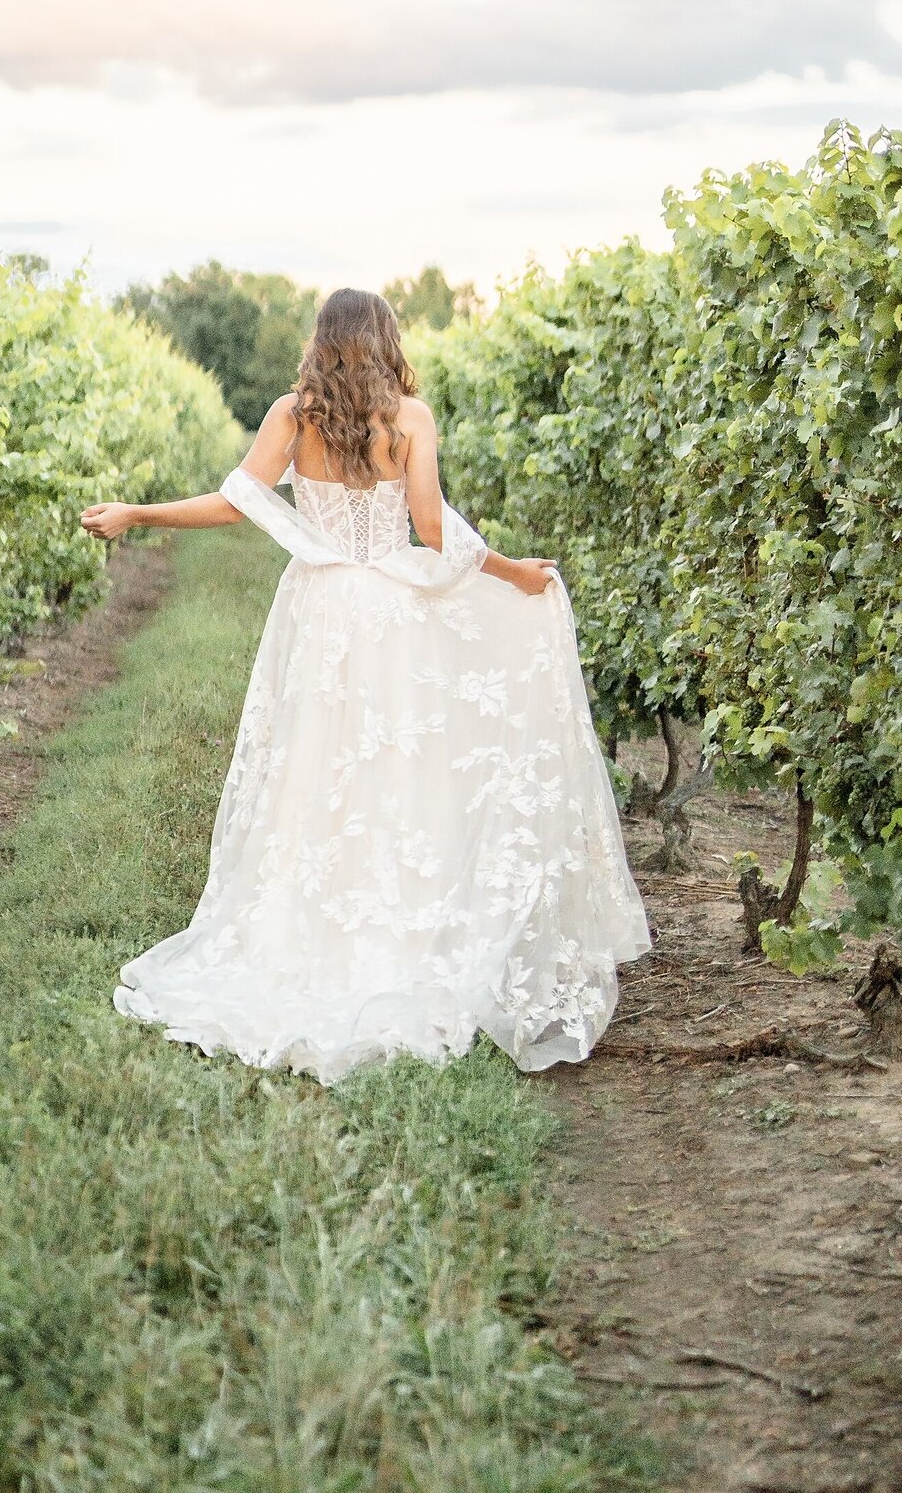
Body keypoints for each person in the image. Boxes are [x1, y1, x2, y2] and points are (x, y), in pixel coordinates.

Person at [80, 287, 649, 1084]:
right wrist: (515, 572)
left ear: (320, 341)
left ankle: (308, 926)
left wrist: (138, 513)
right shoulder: (409, 419)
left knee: (314, 764)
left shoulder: (293, 413)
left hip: (318, 609)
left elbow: (234, 504)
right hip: (389, 611)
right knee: (397, 766)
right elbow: (432, 529)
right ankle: (404, 930)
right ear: (386, 340)